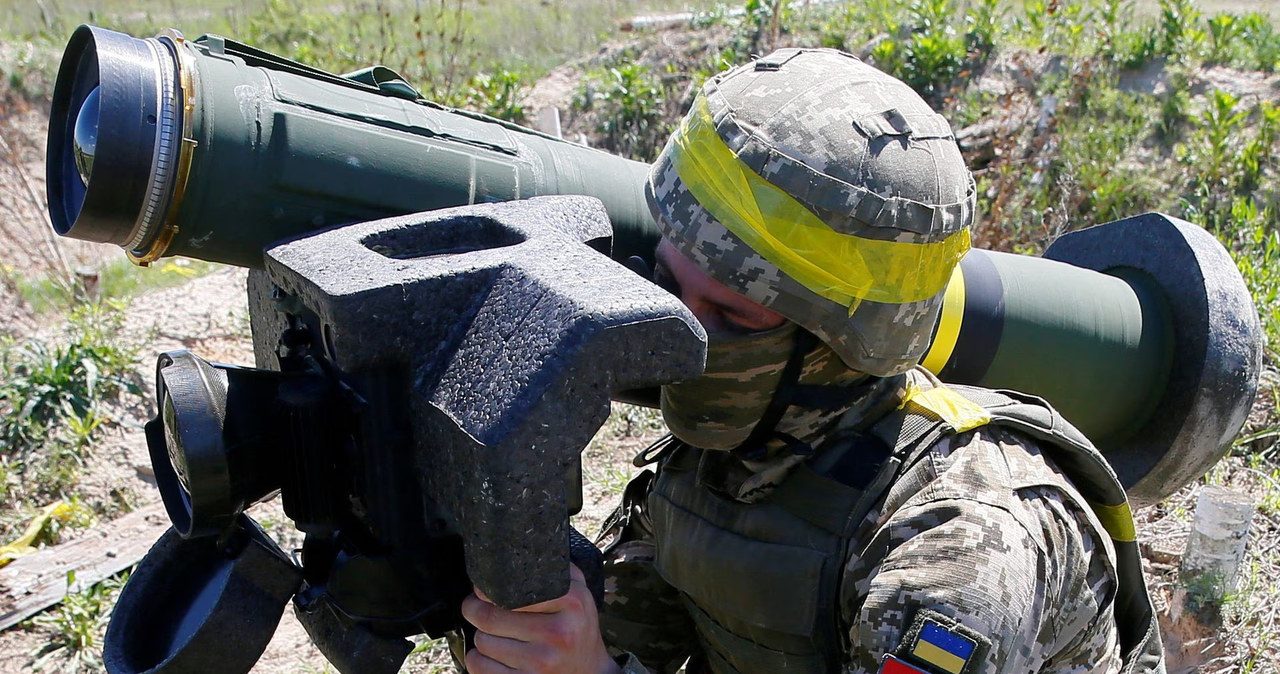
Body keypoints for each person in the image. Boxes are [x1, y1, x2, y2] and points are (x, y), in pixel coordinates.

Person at [458, 48, 1165, 674]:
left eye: (733, 316)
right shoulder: (739, 447)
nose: (683, 338)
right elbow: (624, 627)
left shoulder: (959, 552)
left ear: (841, 347)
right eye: (670, 289)